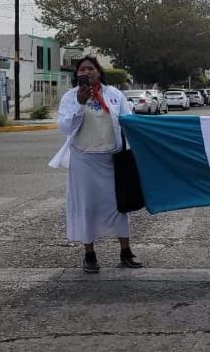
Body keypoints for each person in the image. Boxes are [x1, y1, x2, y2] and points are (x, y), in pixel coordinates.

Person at [48, 56, 143, 273]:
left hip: (112, 159)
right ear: (77, 74)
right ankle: (89, 254)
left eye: (92, 68)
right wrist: (81, 105)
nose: (88, 72)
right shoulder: (71, 97)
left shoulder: (114, 94)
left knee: (120, 206)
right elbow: (65, 126)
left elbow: (128, 119)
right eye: (83, 69)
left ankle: (126, 251)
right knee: (87, 206)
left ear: (99, 72)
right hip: (84, 160)